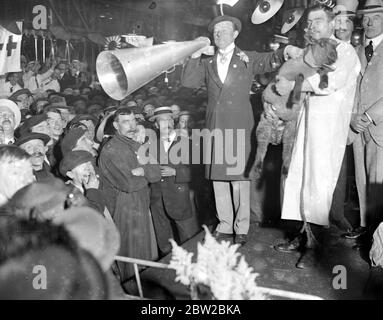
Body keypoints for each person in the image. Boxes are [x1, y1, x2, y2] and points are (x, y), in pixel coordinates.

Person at [181, 15, 302, 245]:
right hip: (215, 125)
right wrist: (195, 53)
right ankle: (225, 224)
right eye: (215, 31)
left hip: (239, 124)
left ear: (235, 34)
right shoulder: (207, 62)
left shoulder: (248, 58)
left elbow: (271, 58)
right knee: (218, 178)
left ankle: (241, 226)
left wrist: (289, 50)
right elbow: (188, 82)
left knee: (238, 177)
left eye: (224, 30)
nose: (219, 35)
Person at [273, 4, 361, 268]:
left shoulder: (344, 51)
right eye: (309, 23)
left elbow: (329, 82)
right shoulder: (310, 51)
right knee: (299, 181)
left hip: (327, 128)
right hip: (305, 124)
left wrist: (296, 81)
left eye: (318, 21)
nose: (312, 27)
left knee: (317, 185)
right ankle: (301, 237)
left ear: (333, 24)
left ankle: (316, 248)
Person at [98, 107, 161, 284]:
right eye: (126, 122)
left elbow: (156, 173)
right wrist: (146, 171)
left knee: (146, 253)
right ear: (116, 125)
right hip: (125, 207)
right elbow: (129, 184)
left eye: (133, 120)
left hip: (141, 201)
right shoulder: (112, 149)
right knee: (133, 258)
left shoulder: (136, 144)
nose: (132, 125)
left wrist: (144, 170)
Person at [348, 0, 383, 242]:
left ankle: (378, 233)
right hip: (357, 127)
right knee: (361, 178)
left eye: (376, 17)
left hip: (378, 126)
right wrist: (352, 116)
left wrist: (369, 115)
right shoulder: (357, 52)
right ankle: (363, 226)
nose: (368, 23)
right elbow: (348, 89)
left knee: (378, 182)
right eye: (366, 18)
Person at [149, 107, 198, 255]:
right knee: (165, 244)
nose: (168, 122)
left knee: (190, 240)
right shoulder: (150, 146)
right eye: (162, 120)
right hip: (158, 201)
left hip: (180, 199)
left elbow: (198, 171)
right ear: (156, 125)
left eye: (170, 119)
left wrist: (176, 172)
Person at [329, 0, 359, 232]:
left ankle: (336, 213)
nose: (341, 25)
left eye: (346, 21)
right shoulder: (322, 48)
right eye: (337, 20)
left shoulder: (357, 53)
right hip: (322, 117)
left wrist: (352, 120)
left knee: (339, 169)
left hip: (345, 119)